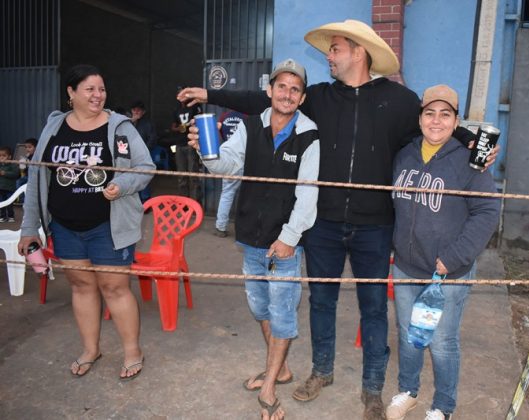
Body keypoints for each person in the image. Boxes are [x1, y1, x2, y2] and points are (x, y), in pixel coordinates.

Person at [178, 20, 497, 420]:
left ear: (359, 51)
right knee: (322, 301)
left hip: (375, 226)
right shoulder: (318, 97)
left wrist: (474, 145)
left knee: (373, 309)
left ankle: (373, 389)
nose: (329, 56)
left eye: (335, 48)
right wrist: (210, 94)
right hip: (324, 223)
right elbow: (264, 99)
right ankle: (322, 371)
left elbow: (436, 123)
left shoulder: (399, 100)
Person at [189, 58, 319, 420]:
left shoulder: (309, 135)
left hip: (284, 246)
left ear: (302, 97)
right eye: (282, 87)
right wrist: (205, 150)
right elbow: (227, 164)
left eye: (295, 89)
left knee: (282, 315)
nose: (287, 94)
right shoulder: (250, 125)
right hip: (250, 237)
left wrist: (289, 237)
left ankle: (268, 387)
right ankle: (281, 369)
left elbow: (308, 194)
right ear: (269, 90)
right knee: (261, 308)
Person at [17, 64, 155, 381]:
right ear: (71, 92)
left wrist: (122, 184)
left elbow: (145, 167)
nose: (97, 95)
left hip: (108, 225)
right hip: (65, 225)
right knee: (81, 287)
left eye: (101, 89)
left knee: (115, 287)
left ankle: (132, 351)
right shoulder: (53, 127)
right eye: (90, 89)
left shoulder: (120, 127)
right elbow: (37, 178)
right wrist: (29, 228)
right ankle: (91, 349)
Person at [385, 85, 500, 420]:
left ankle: (443, 406)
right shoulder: (404, 155)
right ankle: (408, 391)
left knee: (441, 342)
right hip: (406, 267)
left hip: (447, 272)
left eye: (445, 114)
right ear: (420, 118)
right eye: (430, 113)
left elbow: (487, 212)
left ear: (456, 121)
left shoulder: (470, 162)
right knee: (409, 335)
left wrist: (455, 257)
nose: (436, 121)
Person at [214, 109, 247, 237]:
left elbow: (218, 133)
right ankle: (243, 230)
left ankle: (220, 227)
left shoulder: (224, 116)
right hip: (244, 158)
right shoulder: (247, 116)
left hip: (228, 158)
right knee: (248, 195)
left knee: (227, 194)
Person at [172, 88, 203, 202]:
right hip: (179, 145)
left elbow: (200, 120)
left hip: (191, 144)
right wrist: (180, 128)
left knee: (193, 175)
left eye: (184, 94)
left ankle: (195, 203)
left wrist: (190, 125)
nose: (182, 96)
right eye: (179, 94)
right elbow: (173, 126)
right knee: (181, 177)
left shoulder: (194, 106)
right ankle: (183, 204)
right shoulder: (176, 110)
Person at [130, 100, 157, 202]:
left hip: (144, 155)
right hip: (130, 155)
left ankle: (145, 201)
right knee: (131, 177)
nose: (136, 112)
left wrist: (144, 151)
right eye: (134, 110)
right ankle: (135, 200)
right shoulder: (127, 122)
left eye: (139, 110)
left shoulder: (148, 123)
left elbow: (152, 139)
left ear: (143, 112)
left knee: (144, 177)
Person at [0, 146, 19, 222]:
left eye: (4, 155)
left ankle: (11, 216)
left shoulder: (13, 165)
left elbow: (15, 174)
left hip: (9, 188)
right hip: (1, 188)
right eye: (0, 156)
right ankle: (2, 216)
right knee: (1, 202)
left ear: (9, 157)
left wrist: (4, 173)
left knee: (9, 203)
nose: (1, 157)